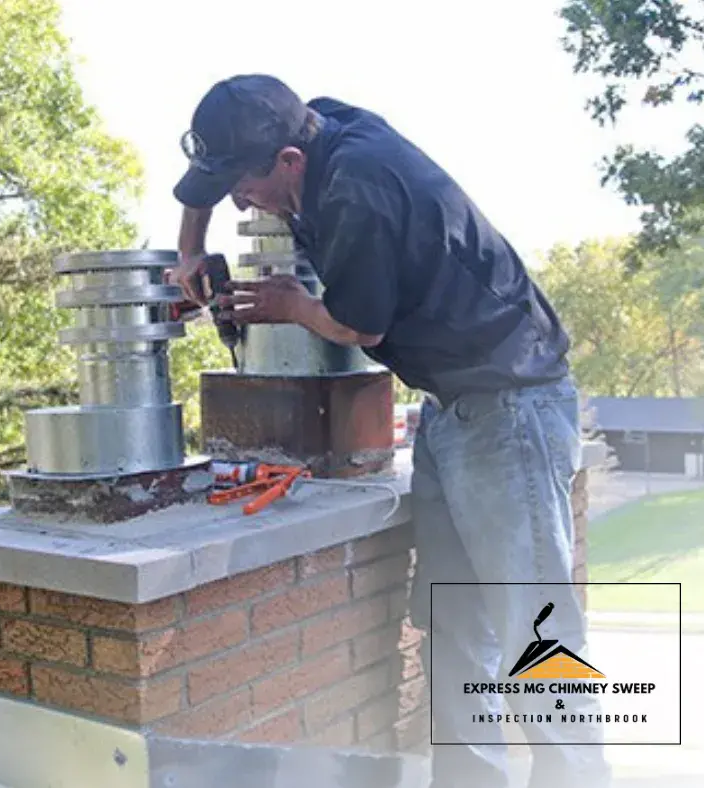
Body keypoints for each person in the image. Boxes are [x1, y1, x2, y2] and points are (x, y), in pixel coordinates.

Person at [169, 74, 612, 788]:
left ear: (289, 159)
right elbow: (201, 191)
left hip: (510, 410)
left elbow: (357, 325)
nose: (237, 202)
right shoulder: (315, 124)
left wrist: (290, 304)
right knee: (456, 626)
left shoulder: (357, 190)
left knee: (540, 635)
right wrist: (190, 251)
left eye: (243, 184)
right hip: (453, 410)